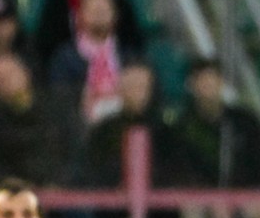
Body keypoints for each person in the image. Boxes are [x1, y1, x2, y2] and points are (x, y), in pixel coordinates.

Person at [169, 58, 260, 188]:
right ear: (192, 85)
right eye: (202, 81)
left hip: (242, 196)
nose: (207, 86)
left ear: (221, 82)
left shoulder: (245, 122)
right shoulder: (181, 128)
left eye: (211, 80)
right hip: (197, 198)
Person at [73, 59, 180, 187]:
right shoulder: (104, 131)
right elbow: (88, 173)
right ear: (121, 88)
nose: (137, 93)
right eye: (131, 86)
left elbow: (176, 176)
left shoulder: (166, 135)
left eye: (142, 87)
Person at [45, 0, 128, 124]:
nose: (99, 14)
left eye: (103, 10)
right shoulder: (64, 58)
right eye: (93, 10)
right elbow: (59, 98)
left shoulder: (128, 55)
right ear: (79, 17)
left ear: (115, 16)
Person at [0, 51, 74, 183]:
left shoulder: (57, 110)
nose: (5, 82)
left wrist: (61, 182)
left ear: (26, 73)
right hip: (16, 190)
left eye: (10, 74)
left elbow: (73, 150)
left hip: (61, 188)